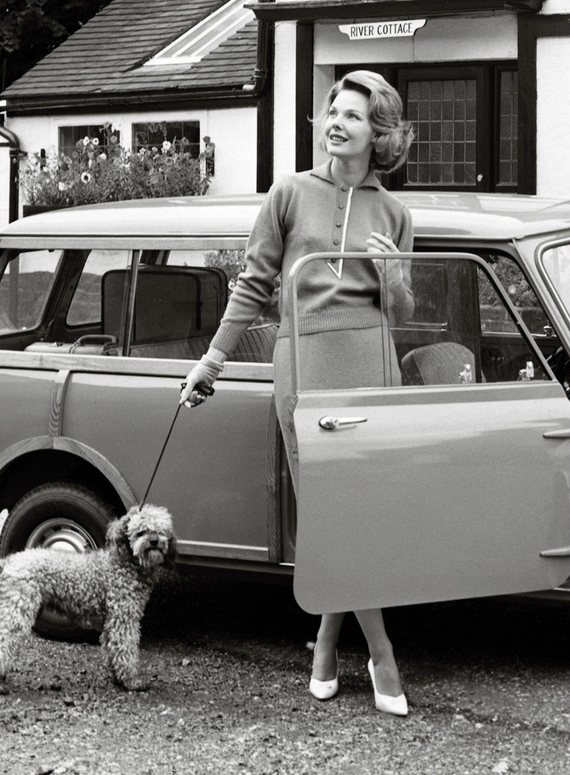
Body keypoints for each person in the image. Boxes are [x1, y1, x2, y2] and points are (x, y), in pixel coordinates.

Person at [179, 70, 415, 717]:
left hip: (370, 362)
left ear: (379, 133)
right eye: (332, 111)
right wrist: (213, 360)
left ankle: (328, 643)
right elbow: (253, 285)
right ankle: (383, 652)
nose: (336, 122)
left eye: (353, 115)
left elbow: (401, 309)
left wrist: (390, 272)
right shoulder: (287, 194)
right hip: (304, 363)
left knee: (360, 513)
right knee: (325, 512)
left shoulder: (395, 213)